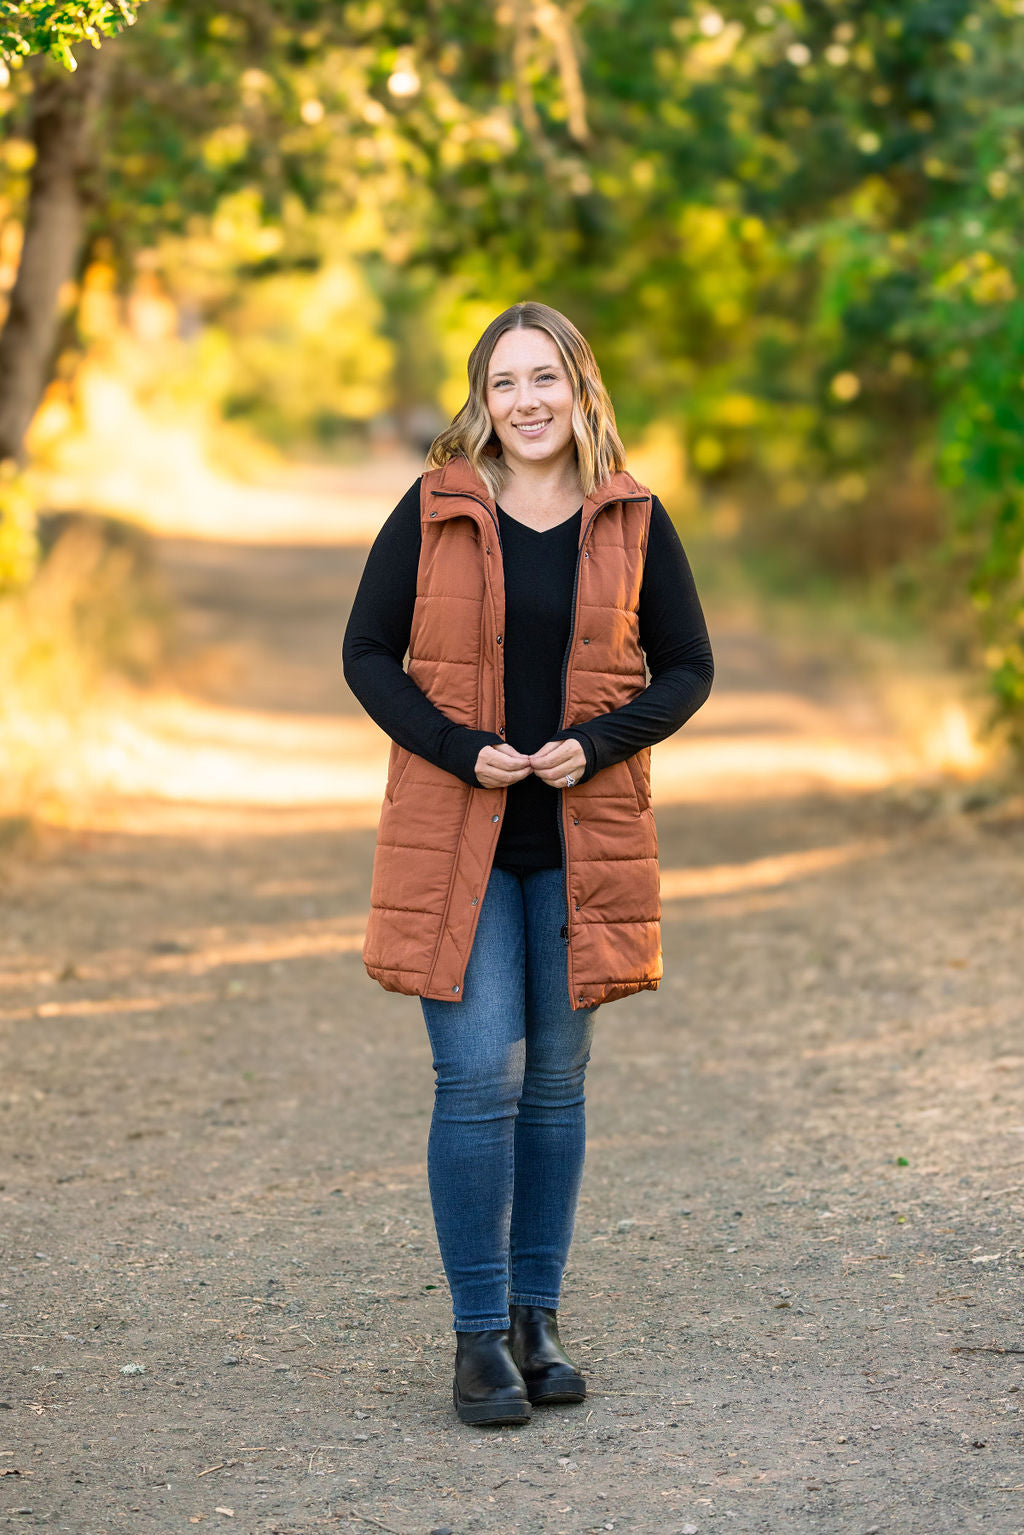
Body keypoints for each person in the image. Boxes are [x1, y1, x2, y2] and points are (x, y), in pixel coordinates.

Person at [342, 301, 714, 1427]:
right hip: (454, 838)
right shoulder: (437, 506)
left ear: (579, 386)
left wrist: (594, 744)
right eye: (505, 383)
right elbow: (365, 652)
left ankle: (536, 1319)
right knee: (475, 1081)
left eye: (544, 378)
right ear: (481, 400)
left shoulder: (632, 516)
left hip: (578, 841)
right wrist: (461, 748)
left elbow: (688, 667)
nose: (527, 401)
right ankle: (476, 1338)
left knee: (554, 1085)